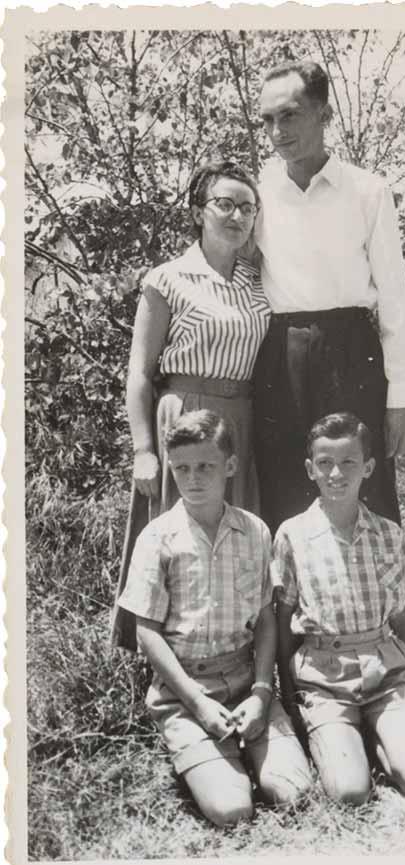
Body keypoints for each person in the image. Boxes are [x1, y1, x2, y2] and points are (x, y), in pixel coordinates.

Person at [116, 410, 313, 826]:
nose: (194, 478)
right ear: (172, 467)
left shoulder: (255, 531)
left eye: (206, 466)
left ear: (231, 465)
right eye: (183, 468)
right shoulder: (158, 538)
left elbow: (263, 619)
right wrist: (196, 701)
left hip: (245, 683)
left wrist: (262, 693)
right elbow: (147, 632)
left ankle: (253, 747)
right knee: (232, 810)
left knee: (295, 792)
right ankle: (211, 755)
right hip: (185, 692)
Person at [254, 60, 405, 533]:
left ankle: (378, 604)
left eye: (289, 115)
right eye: (266, 120)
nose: (277, 131)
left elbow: (394, 300)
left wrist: (402, 397)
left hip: (353, 354)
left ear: (323, 114)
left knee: (362, 487)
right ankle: (292, 605)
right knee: (287, 486)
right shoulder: (259, 193)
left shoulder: (368, 191)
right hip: (280, 357)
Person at [112, 159, 271, 649]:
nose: (236, 216)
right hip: (183, 415)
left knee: (235, 536)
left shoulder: (259, 276)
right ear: (198, 211)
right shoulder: (169, 279)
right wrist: (143, 448)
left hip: (241, 416)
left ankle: (236, 658)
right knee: (179, 538)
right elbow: (140, 371)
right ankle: (166, 665)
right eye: (224, 204)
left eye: (247, 207)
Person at [273, 412, 405, 805]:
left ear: (367, 467)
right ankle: (345, 739)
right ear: (310, 469)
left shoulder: (387, 533)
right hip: (324, 679)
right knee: (349, 792)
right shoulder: (292, 535)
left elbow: (400, 617)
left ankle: (382, 740)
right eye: (325, 463)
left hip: (384, 673)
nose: (337, 473)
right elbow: (283, 620)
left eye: (348, 462)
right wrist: (289, 698)